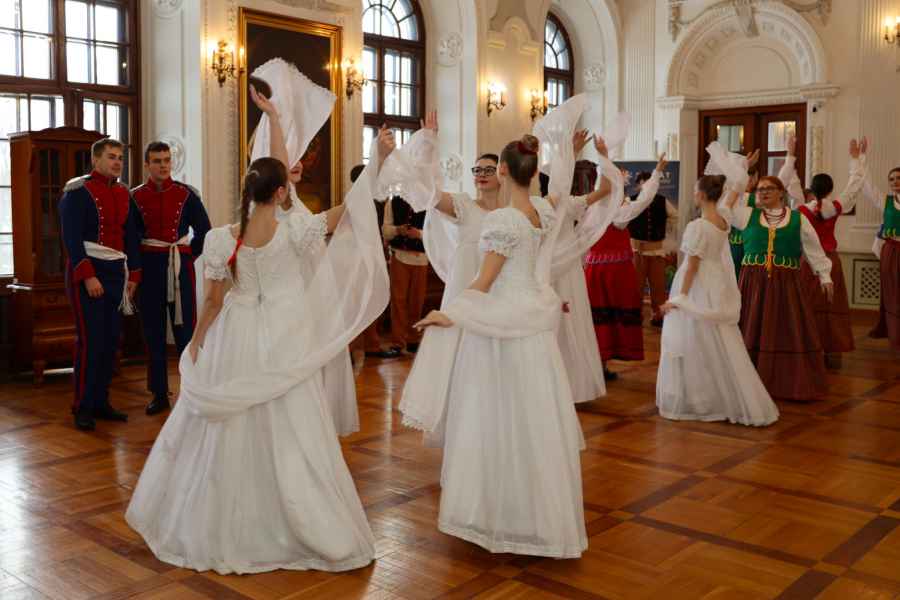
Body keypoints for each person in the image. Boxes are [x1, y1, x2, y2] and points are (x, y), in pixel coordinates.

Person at [126, 124, 396, 574]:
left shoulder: (221, 237)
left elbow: (213, 301)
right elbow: (350, 209)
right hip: (286, 334)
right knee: (292, 422)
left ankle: (225, 518)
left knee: (232, 426)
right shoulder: (296, 229)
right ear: (280, 193)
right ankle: (296, 517)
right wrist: (377, 159)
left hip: (237, 331)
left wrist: (196, 342)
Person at [404, 133, 587, 558]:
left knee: (494, 417)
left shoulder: (504, 221)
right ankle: (534, 515)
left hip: (499, 331)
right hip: (532, 330)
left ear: (502, 171)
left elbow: (483, 282)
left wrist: (449, 314)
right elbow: (559, 193)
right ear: (533, 172)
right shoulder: (540, 212)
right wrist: (570, 153)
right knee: (531, 420)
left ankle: (498, 515)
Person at [246, 64, 360, 435]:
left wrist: (276, 117)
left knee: (310, 356)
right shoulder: (276, 201)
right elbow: (279, 162)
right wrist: (273, 118)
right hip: (286, 293)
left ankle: (310, 419)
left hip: (307, 289)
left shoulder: (288, 198)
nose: (293, 163)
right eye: (287, 159)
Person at [657, 173, 779, 426]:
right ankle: (721, 395)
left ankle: (701, 398)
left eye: (695, 191)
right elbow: (731, 197)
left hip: (697, 284)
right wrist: (742, 173)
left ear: (702, 195)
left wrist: (680, 298)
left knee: (694, 338)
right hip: (716, 283)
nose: (693, 194)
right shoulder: (723, 220)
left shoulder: (698, 227)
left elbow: (691, 266)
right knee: (720, 338)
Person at [715, 143, 833, 401]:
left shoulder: (797, 218)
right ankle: (747, 381)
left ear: (781, 192)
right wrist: (742, 169)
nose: (764, 192)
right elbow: (725, 205)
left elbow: (814, 249)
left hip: (786, 284)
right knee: (751, 328)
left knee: (786, 330)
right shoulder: (746, 215)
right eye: (760, 189)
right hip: (753, 284)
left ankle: (786, 381)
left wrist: (825, 275)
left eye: (769, 188)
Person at [59, 138, 142, 431]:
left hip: (116, 272)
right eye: (111, 157)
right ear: (95, 160)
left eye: (120, 157)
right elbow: (71, 239)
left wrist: (134, 276)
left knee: (110, 341)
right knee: (90, 341)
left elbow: (131, 237)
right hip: (88, 271)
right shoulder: (77, 191)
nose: (117, 162)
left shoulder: (123, 193)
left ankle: (100, 402)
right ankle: (82, 406)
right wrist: (88, 275)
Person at [132, 141, 211, 415]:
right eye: (157, 161)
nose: (163, 165)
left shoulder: (187, 194)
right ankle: (159, 394)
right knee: (153, 334)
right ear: (147, 164)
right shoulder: (135, 197)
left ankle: (192, 391)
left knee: (186, 333)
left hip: (180, 269)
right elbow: (130, 239)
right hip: (149, 270)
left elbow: (205, 232)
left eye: (166, 160)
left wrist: (187, 256)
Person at [776, 136, 864, 368]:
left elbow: (790, 184)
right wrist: (856, 159)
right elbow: (854, 186)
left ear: (811, 189)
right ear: (830, 189)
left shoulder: (801, 209)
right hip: (830, 261)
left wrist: (790, 154)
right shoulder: (835, 207)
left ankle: (806, 347)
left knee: (806, 305)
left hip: (806, 262)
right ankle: (832, 350)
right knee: (831, 306)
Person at [583, 154, 668, 378]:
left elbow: (581, 243)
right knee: (610, 319)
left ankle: (598, 366)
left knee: (598, 318)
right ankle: (601, 366)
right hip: (615, 273)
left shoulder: (591, 210)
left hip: (593, 272)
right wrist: (657, 172)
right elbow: (645, 199)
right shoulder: (618, 212)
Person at [851, 137, 900, 351]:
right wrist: (861, 157)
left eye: (898, 178)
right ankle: (894, 333)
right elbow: (867, 186)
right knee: (891, 292)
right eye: (892, 179)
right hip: (890, 251)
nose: (895, 182)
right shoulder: (885, 201)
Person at [629, 171, 678, 327]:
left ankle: (658, 316)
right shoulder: (631, 201)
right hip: (637, 252)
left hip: (657, 251)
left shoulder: (662, 201)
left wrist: (665, 228)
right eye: (643, 183)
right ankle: (635, 316)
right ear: (638, 185)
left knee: (658, 287)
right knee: (636, 287)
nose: (646, 186)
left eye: (649, 182)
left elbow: (675, 216)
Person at [383, 194, 429, 354]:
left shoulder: (429, 202)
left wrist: (419, 234)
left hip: (421, 258)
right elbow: (385, 231)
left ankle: (413, 339)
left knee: (417, 301)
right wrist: (398, 230)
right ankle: (398, 342)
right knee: (398, 301)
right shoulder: (393, 202)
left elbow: (438, 232)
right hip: (399, 256)